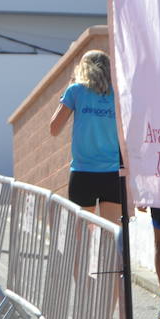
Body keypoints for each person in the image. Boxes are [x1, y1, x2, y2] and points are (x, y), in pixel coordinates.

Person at [48, 49, 122, 225]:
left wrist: (70, 90)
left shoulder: (76, 91)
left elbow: (54, 128)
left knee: (80, 239)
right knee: (111, 236)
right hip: (113, 172)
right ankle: (109, 255)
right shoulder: (119, 94)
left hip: (83, 172)